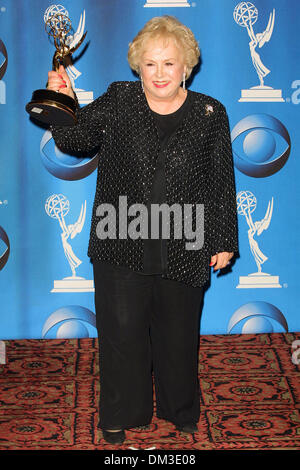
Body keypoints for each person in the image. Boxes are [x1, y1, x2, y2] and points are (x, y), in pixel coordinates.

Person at [48, 15, 239, 445]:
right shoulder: (119, 100)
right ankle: (119, 413)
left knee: (178, 337)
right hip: (120, 242)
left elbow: (221, 182)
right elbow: (73, 140)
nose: (159, 74)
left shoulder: (211, 113)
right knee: (121, 337)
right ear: (137, 66)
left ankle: (181, 410)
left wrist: (224, 240)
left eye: (169, 64)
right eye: (150, 64)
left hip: (185, 242)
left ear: (186, 66)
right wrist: (62, 102)